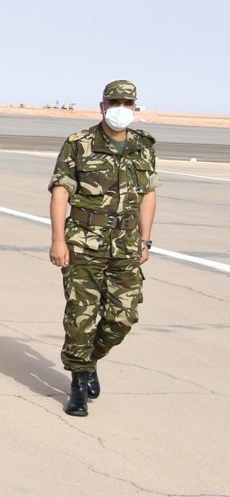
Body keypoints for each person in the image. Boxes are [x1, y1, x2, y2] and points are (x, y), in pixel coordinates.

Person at [48, 80, 157, 416]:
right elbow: (60, 192)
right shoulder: (79, 143)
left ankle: (91, 359)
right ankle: (79, 382)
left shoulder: (143, 146)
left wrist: (145, 238)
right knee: (81, 317)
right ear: (102, 105)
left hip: (125, 245)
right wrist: (57, 239)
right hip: (83, 242)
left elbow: (149, 193)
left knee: (122, 317)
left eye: (127, 102)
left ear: (134, 108)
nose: (120, 108)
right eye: (114, 101)